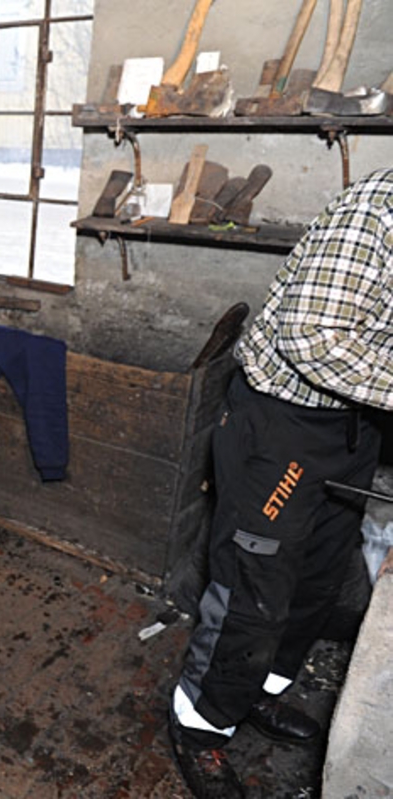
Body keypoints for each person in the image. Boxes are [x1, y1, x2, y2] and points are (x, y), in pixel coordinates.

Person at [169, 167, 393, 798]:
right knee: (253, 593)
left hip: (356, 421)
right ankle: (200, 727)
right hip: (283, 428)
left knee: (319, 578)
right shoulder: (379, 210)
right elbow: (311, 335)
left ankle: (262, 692)